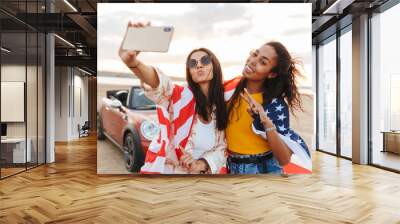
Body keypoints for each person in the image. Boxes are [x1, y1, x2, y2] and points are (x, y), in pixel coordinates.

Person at [118, 22, 228, 174]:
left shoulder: (222, 104)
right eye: (192, 63)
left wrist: (201, 164)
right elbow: (160, 84)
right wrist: (133, 63)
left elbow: (221, 148)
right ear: (189, 71)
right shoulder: (181, 96)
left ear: (214, 66)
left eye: (205, 61)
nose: (199, 65)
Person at [223, 41, 312, 174]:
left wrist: (265, 120)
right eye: (255, 54)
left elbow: (284, 159)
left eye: (263, 62)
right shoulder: (228, 92)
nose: (253, 61)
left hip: (263, 168)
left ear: (272, 74)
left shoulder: (274, 105)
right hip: (232, 167)